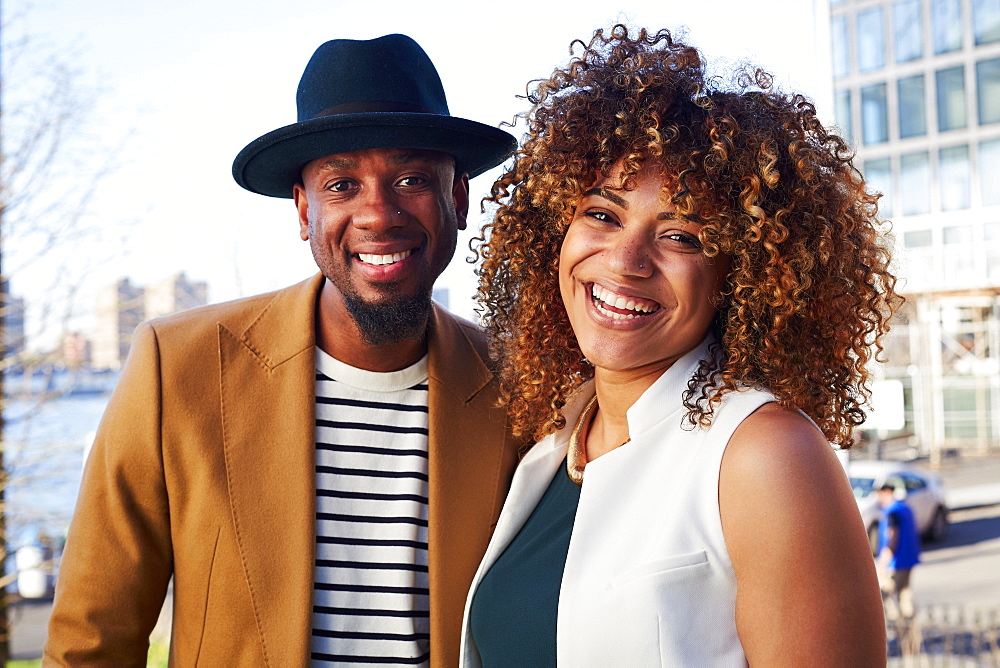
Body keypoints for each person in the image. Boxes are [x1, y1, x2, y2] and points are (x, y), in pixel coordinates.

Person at [44, 34, 522, 666]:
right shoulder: (178, 368)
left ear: (456, 198)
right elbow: (90, 645)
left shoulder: (521, 388)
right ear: (304, 211)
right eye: (343, 184)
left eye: (410, 179)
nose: (378, 214)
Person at [460, 26, 895, 666]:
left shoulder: (763, 455)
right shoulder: (549, 447)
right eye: (603, 215)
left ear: (739, 275)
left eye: (683, 236)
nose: (626, 260)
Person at [876, 483, 921, 621]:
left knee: (883, 593)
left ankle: (895, 622)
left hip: (895, 563)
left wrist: (881, 563)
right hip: (909, 559)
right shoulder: (905, 508)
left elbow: (892, 538)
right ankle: (909, 627)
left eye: (879, 494)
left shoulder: (892, 512)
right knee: (905, 594)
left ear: (887, 492)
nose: (878, 499)